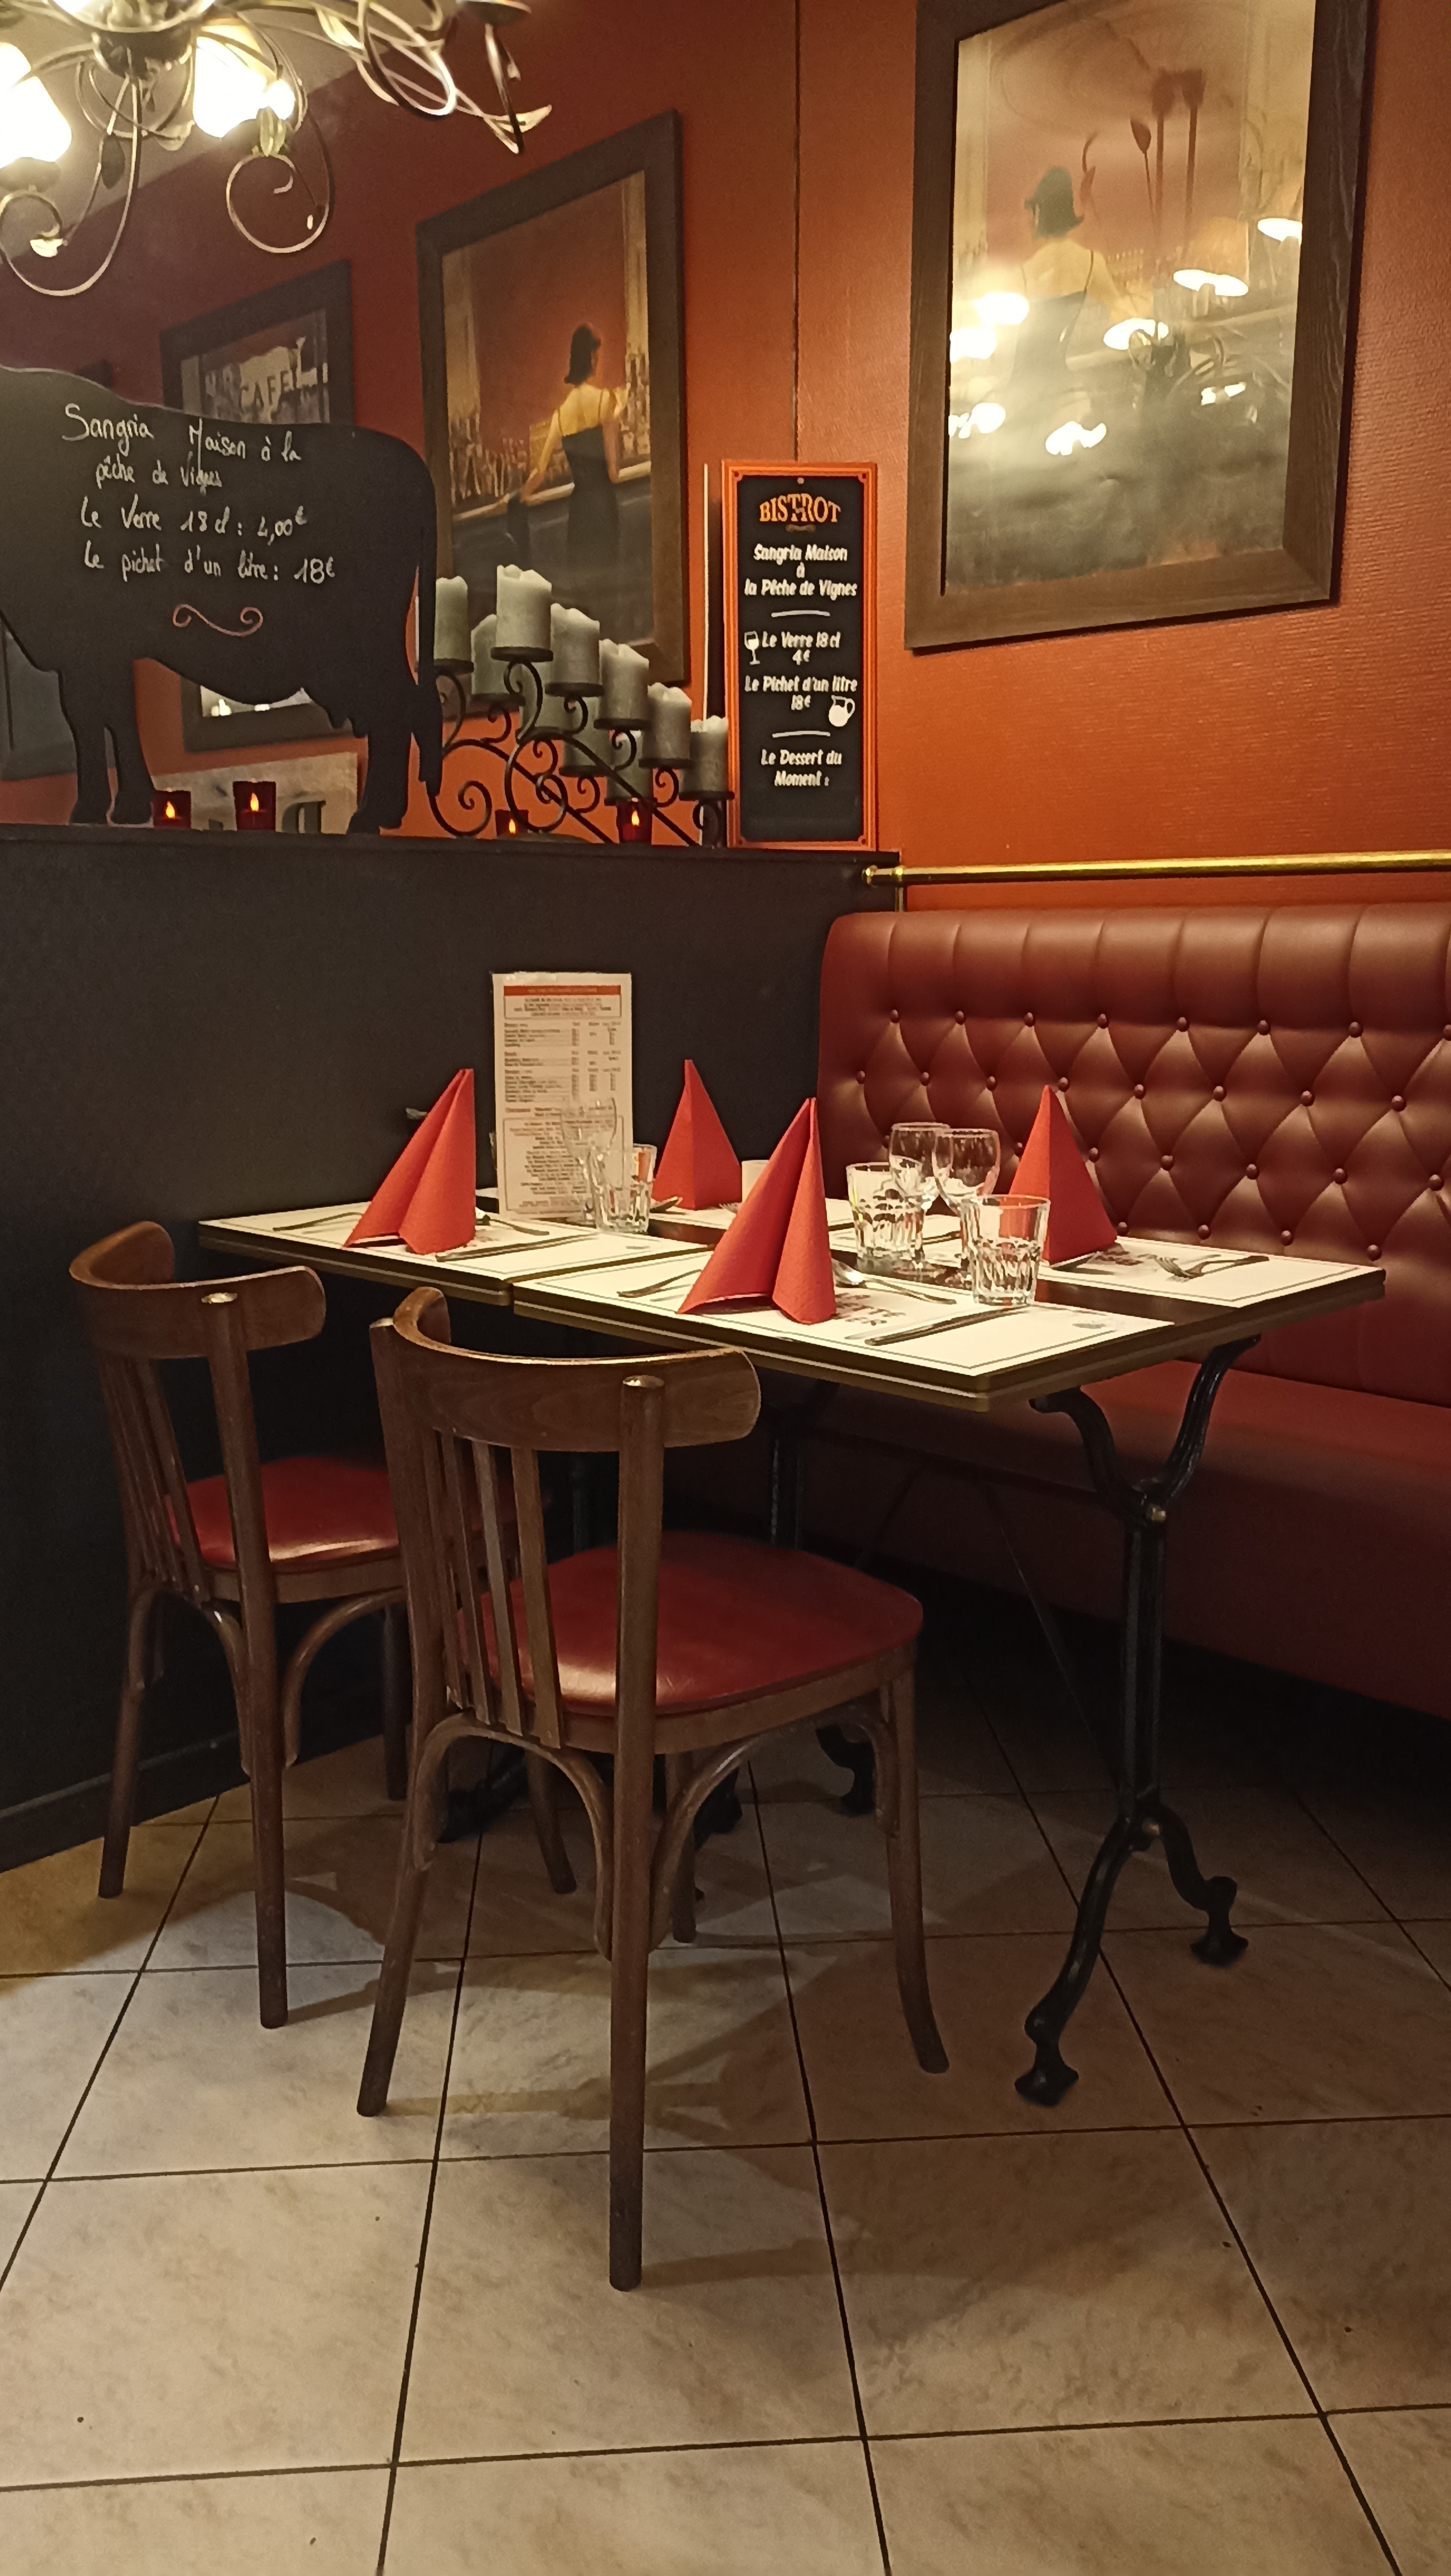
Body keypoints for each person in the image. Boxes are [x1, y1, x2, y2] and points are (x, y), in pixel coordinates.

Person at [520, 324, 621, 607]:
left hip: (579, 513)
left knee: (583, 596)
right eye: (596, 357)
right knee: (607, 591)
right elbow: (613, 472)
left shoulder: (560, 415)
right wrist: (617, 417)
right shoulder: (605, 400)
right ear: (591, 359)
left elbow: (539, 472)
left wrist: (520, 496)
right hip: (603, 506)